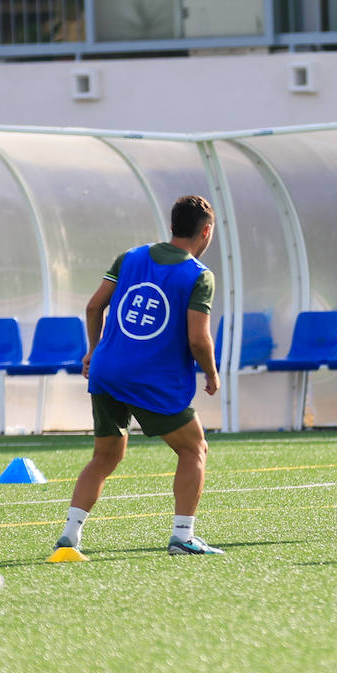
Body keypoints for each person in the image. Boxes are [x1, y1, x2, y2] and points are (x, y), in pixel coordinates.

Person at [55, 195, 223, 556]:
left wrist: (93, 349)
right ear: (206, 231)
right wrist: (210, 372)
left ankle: (70, 532)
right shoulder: (198, 275)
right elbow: (198, 337)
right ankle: (183, 535)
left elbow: (93, 305)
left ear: (172, 225)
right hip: (150, 379)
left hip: (106, 371)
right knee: (194, 447)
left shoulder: (130, 257)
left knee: (106, 456)